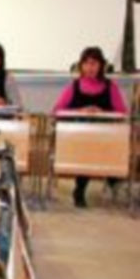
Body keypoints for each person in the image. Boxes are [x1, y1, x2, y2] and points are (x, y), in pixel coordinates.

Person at [52, 46, 128, 208]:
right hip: (80, 136)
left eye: (94, 63)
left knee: (113, 139)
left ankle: (113, 180)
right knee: (87, 143)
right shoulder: (74, 86)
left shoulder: (110, 86)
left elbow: (122, 112)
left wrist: (102, 113)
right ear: (81, 66)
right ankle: (80, 189)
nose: (90, 67)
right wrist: (80, 111)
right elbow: (56, 110)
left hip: (105, 135)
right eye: (86, 63)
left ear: (101, 65)